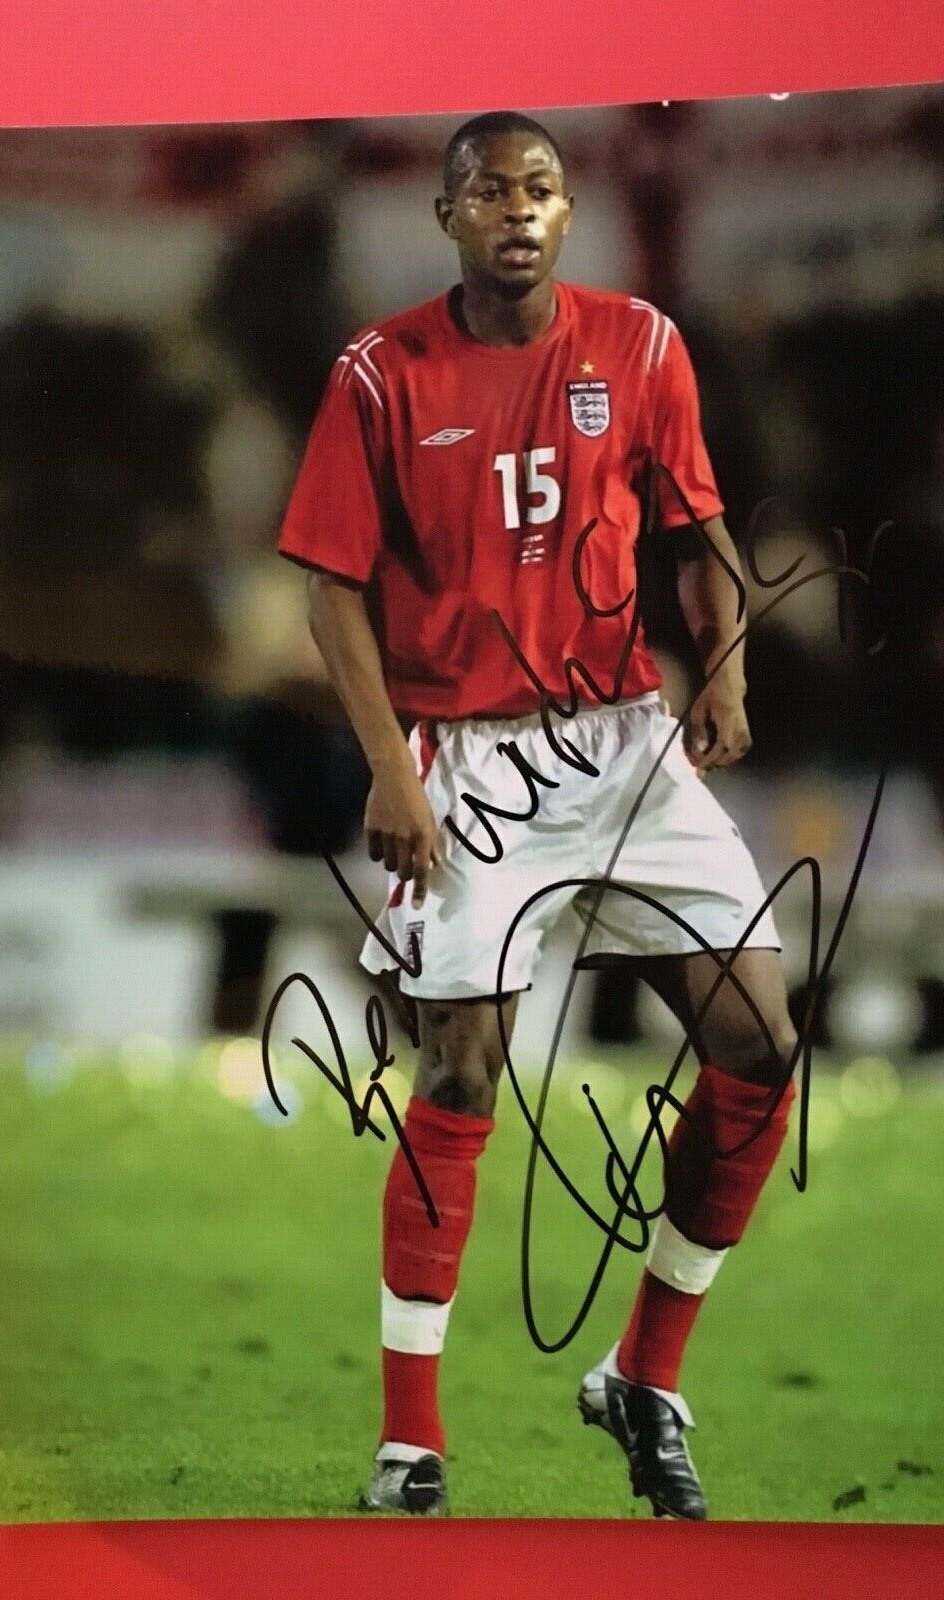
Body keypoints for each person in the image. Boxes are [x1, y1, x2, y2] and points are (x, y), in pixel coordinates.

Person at [278, 110, 798, 1520]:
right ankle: (409, 1443)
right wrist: (389, 763)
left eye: (545, 189)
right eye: (491, 191)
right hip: (463, 755)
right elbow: (331, 582)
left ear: (574, 215)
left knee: (764, 1049)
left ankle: (647, 1374)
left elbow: (696, 529)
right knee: (460, 1074)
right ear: (446, 217)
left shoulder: (638, 346)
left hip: (623, 741)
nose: (519, 209)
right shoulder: (382, 374)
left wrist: (729, 659)